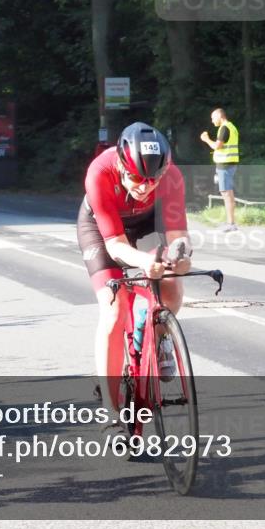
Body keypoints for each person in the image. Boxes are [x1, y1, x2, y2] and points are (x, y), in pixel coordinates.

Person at [77, 122, 192, 440]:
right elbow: (114, 245)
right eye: (137, 179)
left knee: (171, 284)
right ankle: (112, 413)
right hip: (104, 230)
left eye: (152, 180)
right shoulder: (99, 173)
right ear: (120, 165)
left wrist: (180, 255)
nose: (145, 187)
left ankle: (157, 333)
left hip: (146, 222)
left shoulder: (171, 177)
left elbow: (178, 235)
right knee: (114, 308)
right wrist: (146, 260)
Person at [200, 108, 240, 232]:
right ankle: (230, 222)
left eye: (213, 118)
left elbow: (217, 146)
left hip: (225, 165)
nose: (212, 121)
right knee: (226, 193)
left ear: (219, 116)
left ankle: (231, 224)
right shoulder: (231, 126)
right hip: (229, 164)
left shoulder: (224, 128)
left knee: (227, 193)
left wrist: (206, 139)